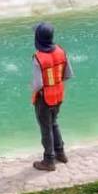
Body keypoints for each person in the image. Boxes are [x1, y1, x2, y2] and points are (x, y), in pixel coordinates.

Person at [30, 22, 73, 171]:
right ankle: (60, 153)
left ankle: (49, 160)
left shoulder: (39, 57)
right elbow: (68, 74)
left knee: (45, 128)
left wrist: (32, 90)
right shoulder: (61, 51)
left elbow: (37, 84)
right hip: (59, 94)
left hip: (44, 98)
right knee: (54, 123)